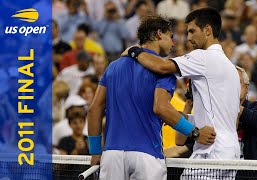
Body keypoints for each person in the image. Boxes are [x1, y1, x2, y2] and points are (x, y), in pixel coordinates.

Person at [88, 15, 215, 180]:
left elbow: (94, 109)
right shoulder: (165, 69)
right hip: (147, 157)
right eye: (171, 37)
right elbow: (161, 108)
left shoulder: (112, 67)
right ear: (159, 34)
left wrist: (96, 152)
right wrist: (195, 132)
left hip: (112, 156)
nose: (173, 43)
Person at [126, 8, 241, 179]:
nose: (188, 38)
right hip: (230, 151)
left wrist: (133, 51)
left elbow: (161, 67)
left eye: (192, 31)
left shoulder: (203, 57)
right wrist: (186, 119)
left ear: (208, 30)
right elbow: (220, 116)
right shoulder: (231, 69)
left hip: (212, 151)